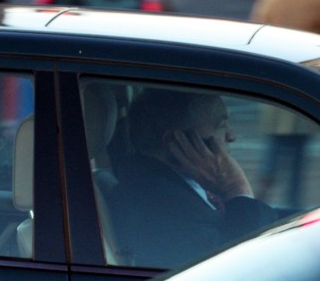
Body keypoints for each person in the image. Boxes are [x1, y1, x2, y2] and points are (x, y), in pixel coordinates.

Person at [105, 88, 277, 269]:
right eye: (221, 126)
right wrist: (236, 188)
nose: (231, 136)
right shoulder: (159, 203)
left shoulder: (171, 185)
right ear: (175, 141)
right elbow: (240, 265)